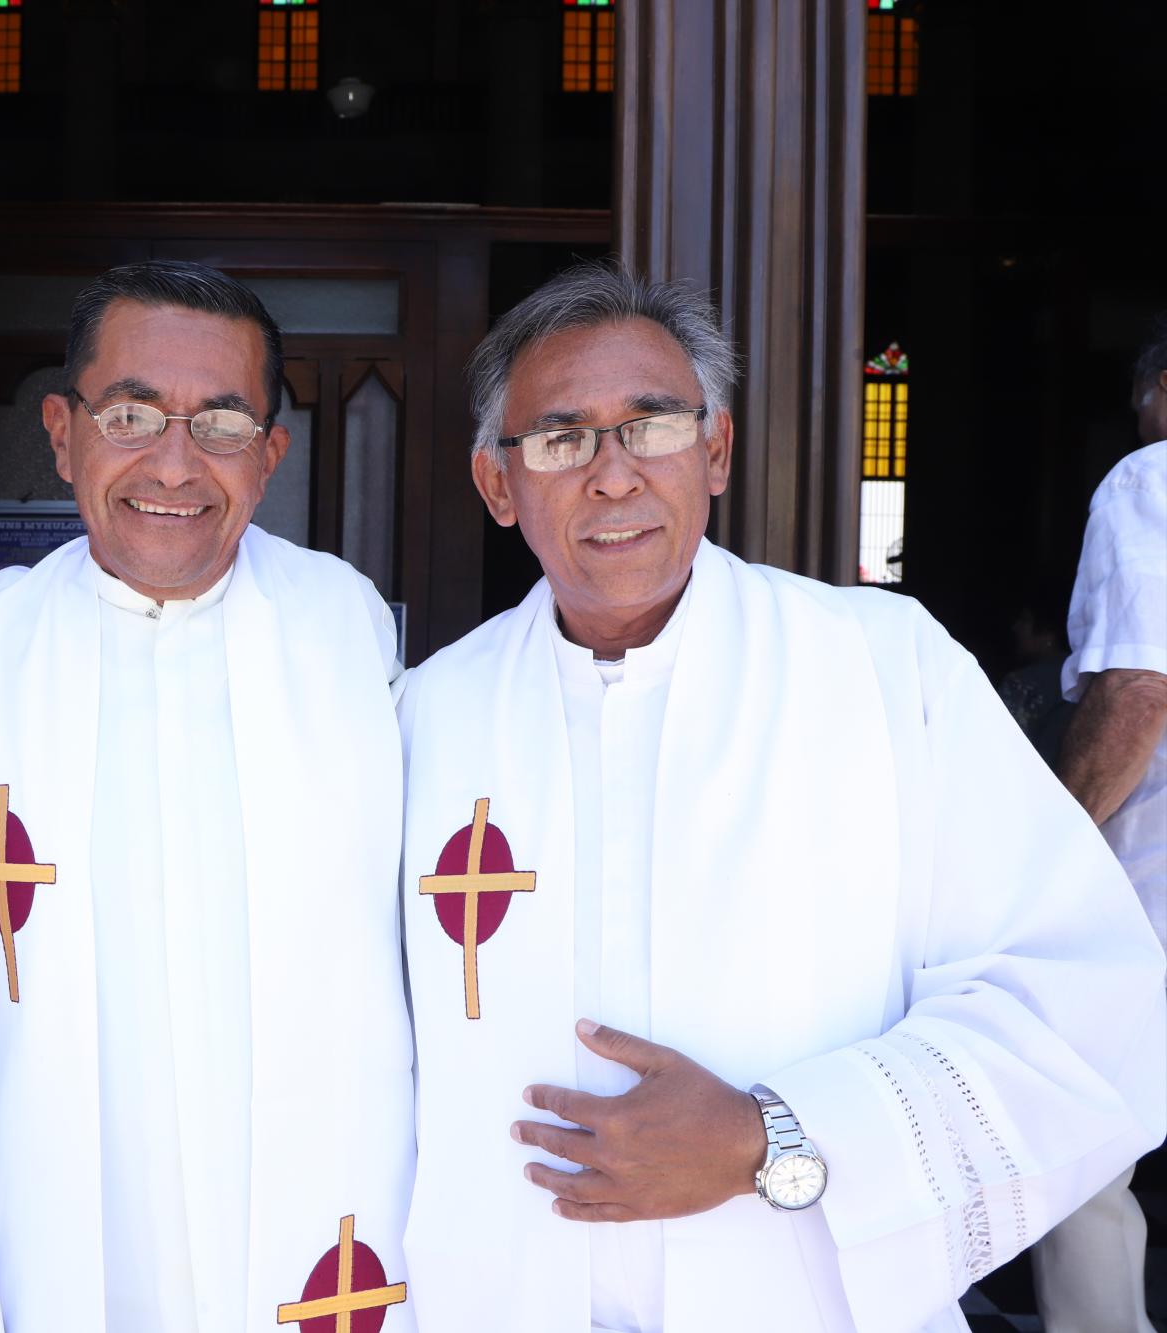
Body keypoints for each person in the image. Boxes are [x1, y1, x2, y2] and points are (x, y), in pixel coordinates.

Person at [396, 263, 1166, 1331]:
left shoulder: (881, 668)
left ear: (714, 450)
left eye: (652, 427)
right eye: (561, 438)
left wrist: (775, 1135)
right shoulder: (426, 717)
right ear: (496, 483)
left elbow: (1083, 998)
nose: (613, 475)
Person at [0, 261, 414, 1331]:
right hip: (56, 1217)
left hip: (315, 1219)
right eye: (128, 416)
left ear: (270, 454)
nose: (174, 463)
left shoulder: (344, 628)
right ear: (62, 433)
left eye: (221, 424)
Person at [1030, 327, 1167, 1333]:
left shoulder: (1150, 479)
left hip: (1147, 891)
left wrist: (1048, 854)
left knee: (1077, 1143)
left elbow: (1137, 689)